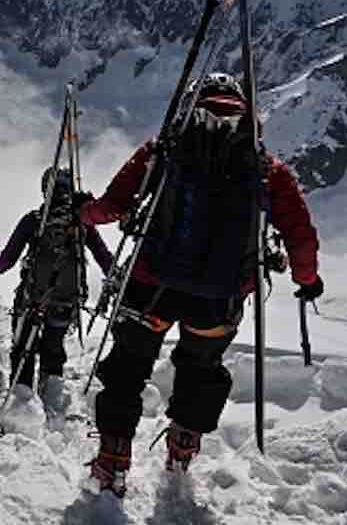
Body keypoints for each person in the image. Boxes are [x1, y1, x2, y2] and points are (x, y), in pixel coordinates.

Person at [78, 73, 322, 496]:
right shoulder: (267, 168)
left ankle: (112, 462)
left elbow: (113, 206)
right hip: (219, 299)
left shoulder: (162, 151)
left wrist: (85, 215)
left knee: (127, 371)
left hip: (150, 288)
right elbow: (299, 234)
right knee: (201, 373)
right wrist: (308, 279)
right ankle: (181, 454)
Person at [0, 167, 114, 394]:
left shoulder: (34, 220)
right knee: (54, 348)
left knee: (23, 348)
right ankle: (51, 394)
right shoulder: (82, 224)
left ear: (45, 190)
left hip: (32, 297)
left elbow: (9, 258)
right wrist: (119, 278)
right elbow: (103, 257)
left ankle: (21, 399)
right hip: (66, 299)